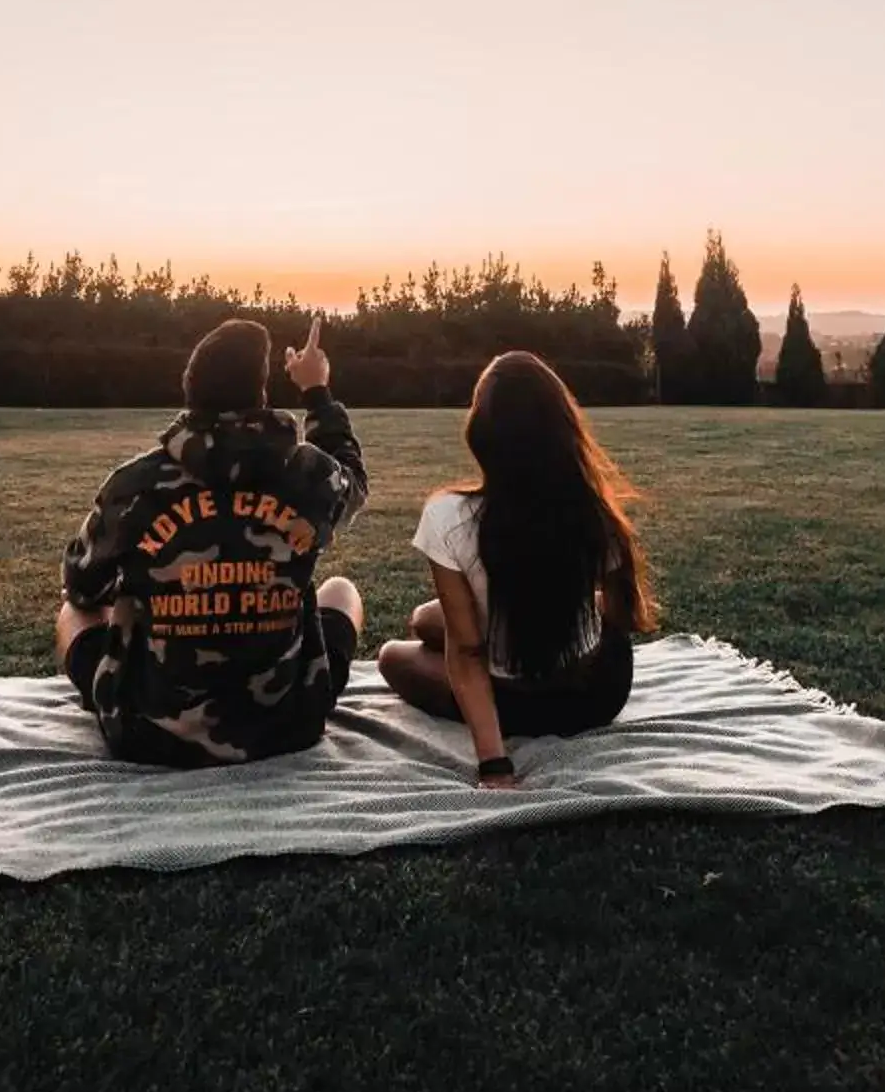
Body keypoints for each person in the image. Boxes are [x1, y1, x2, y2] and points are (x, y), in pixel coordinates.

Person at [56, 313, 366, 767]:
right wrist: (316, 391)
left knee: (73, 611)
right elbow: (354, 484)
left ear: (189, 390)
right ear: (261, 394)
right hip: (287, 727)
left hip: (151, 735)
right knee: (341, 591)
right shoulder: (309, 474)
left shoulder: (135, 483)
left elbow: (83, 586)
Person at [376, 350, 658, 787]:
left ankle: (511, 643)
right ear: (564, 429)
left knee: (394, 654)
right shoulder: (593, 510)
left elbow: (467, 653)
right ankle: (518, 634)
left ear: (481, 433)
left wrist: (494, 764)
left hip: (517, 701)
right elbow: (624, 613)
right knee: (426, 618)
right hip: (598, 695)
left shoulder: (449, 516)